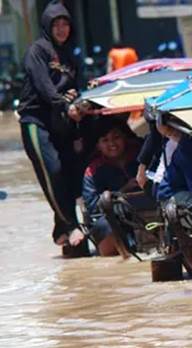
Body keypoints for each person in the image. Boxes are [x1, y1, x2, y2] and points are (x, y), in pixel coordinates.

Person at [18, 0, 85, 249]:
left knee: (69, 173)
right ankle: (70, 225)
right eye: (56, 24)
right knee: (53, 171)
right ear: (47, 25)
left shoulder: (69, 55)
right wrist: (65, 104)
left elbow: (75, 88)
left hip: (62, 123)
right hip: (35, 122)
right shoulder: (37, 51)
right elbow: (44, 87)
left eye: (65, 24)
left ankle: (61, 226)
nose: (61, 29)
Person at [81, 122, 141, 256]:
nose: (112, 143)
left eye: (116, 137)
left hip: (146, 211)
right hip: (113, 218)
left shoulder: (141, 158)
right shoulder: (93, 170)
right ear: (98, 145)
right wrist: (122, 191)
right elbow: (93, 207)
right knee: (105, 226)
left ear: (124, 139)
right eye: (105, 140)